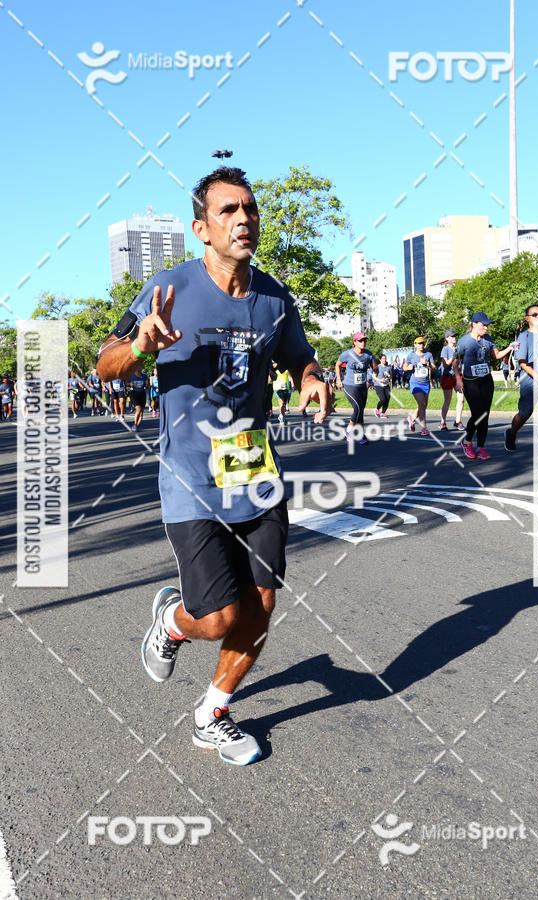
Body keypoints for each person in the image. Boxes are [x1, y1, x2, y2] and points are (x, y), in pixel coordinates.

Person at [96, 166, 331, 766]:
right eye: (229, 210)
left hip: (254, 469)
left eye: (249, 208)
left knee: (262, 605)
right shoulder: (167, 287)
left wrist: (311, 379)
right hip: (191, 477)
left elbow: (302, 358)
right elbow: (105, 364)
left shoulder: (275, 298)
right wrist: (141, 347)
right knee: (215, 617)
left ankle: (213, 714)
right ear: (202, 227)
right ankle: (173, 622)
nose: (244, 218)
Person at [454, 312, 516, 460]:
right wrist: (458, 380)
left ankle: (481, 447)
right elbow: (455, 363)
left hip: (486, 380)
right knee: (478, 414)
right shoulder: (463, 342)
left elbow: (497, 355)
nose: (486, 328)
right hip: (470, 381)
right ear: (474, 324)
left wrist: (510, 347)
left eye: (487, 325)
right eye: (483, 325)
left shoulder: (488, 339)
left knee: (485, 415)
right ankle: (467, 442)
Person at [504, 305, 538, 452]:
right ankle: (511, 433)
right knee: (525, 413)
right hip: (530, 380)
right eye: (534, 315)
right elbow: (522, 363)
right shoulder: (524, 336)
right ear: (527, 318)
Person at [335, 332, 374, 443]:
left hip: (362, 386)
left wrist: (371, 379)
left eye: (364, 340)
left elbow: (373, 367)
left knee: (361, 411)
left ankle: (361, 435)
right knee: (357, 408)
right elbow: (337, 365)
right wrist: (339, 379)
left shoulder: (368, 355)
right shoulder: (347, 354)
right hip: (349, 385)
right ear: (355, 342)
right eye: (360, 341)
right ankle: (347, 431)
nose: (363, 343)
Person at [403, 337, 435, 436]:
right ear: (415, 345)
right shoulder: (411, 356)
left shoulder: (428, 355)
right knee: (422, 405)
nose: (421, 345)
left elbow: (434, 368)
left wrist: (428, 364)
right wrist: (409, 367)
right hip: (415, 383)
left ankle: (412, 418)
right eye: (419, 343)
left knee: (424, 405)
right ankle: (424, 428)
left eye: (422, 343)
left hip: (426, 383)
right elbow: (404, 367)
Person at [439, 329, 464, 431]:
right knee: (447, 401)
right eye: (452, 336)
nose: (455, 338)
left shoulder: (458, 348)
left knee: (461, 399)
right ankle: (443, 422)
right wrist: (452, 357)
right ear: (447, 338)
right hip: (448, 376)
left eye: (455, 336)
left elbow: (461, 362)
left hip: (458, 376)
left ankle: (458, 421)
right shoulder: (445, 349)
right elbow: (445, 365)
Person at [128, 366, 149, 432]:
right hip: (134, 393)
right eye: (137, 366)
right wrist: (130, 384)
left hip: (142, 393)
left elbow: (147, 385)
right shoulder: (131, 376)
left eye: (139, 366)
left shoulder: (144, 376)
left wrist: (147, 384)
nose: (138, 368)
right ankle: (134, 424)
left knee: (141, 413)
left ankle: (137, 425)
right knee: (138, 409)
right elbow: (126, 383)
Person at [374, 353, 391, 418]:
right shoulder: (377, 367)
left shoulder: (388, 368)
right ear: (380, 360)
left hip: (386, 385)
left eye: (385, 358)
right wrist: (380, 380)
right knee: (383, 399)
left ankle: (383, 413)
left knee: (387, 399)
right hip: (379, 385)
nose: (384, 360)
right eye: (383, 359)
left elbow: (390, 376)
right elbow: (374, 376)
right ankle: (377, 409)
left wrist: (389, 376)